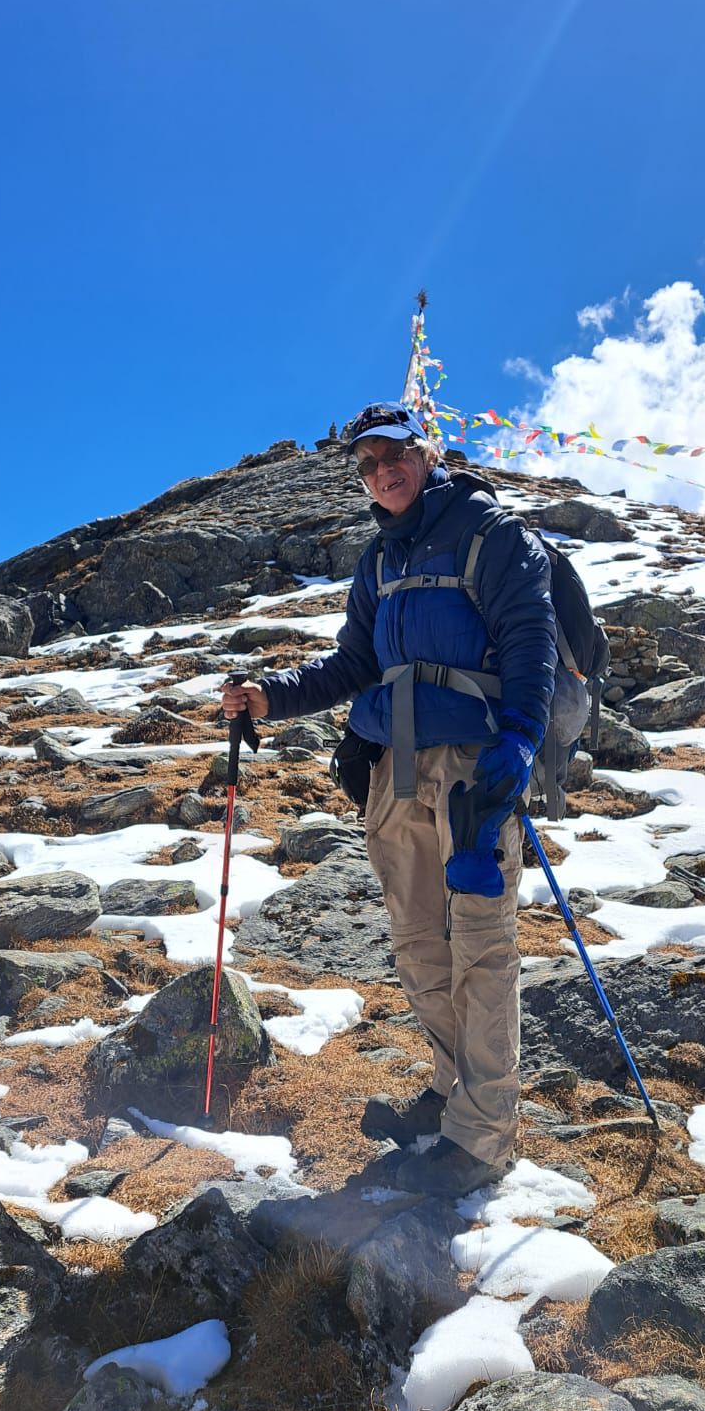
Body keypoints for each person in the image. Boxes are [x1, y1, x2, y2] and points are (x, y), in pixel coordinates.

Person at [222, 402, 556, 1196]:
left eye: (392, 455)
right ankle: (450, 1094)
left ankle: (481, 1140)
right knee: (418, 946)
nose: (380, 472)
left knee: (480, 944)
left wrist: (518, 742)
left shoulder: (492, 534)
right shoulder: (377, 562)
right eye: (366, 465)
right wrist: (269, 698)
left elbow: (530, 640)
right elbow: (351, 665)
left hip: (473, 768)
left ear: (425, 452)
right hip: (392, 774)